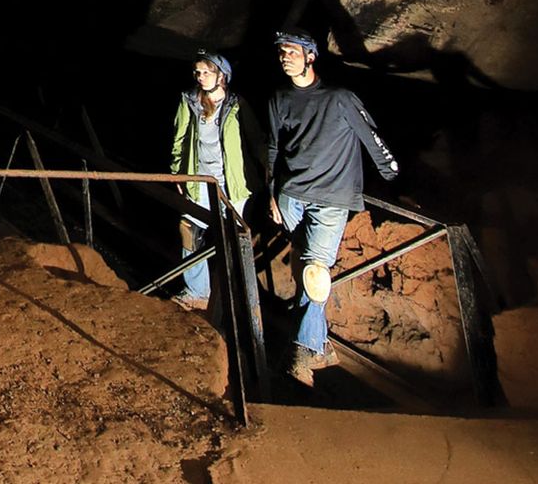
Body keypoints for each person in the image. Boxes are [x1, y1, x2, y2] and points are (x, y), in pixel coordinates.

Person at [265, 28, 400, 385]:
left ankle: (303, 352)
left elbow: (371, 137)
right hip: (292, 196)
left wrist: (391, 173)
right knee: (304, 269)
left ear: (311, 56)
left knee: (315, 273)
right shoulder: (280, 98)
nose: (285, 57)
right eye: (282, 53)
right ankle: (321, 347)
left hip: (330, 198)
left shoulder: (340, 98)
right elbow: (275, 149)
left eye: (292, 51)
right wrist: (273, 193)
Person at [168, 50, 261, 310]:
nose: (201, 77)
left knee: (232, 239)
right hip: (199, 181)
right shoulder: (190, 101)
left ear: (222, 76)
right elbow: (180, 138)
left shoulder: (237, 105)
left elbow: (255, 141)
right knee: (189, 230)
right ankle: (198, 292)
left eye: (207, 72)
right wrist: (178, 171)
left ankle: (234, 297)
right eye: (198, 72)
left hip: (231, 184)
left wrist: (267, 173)